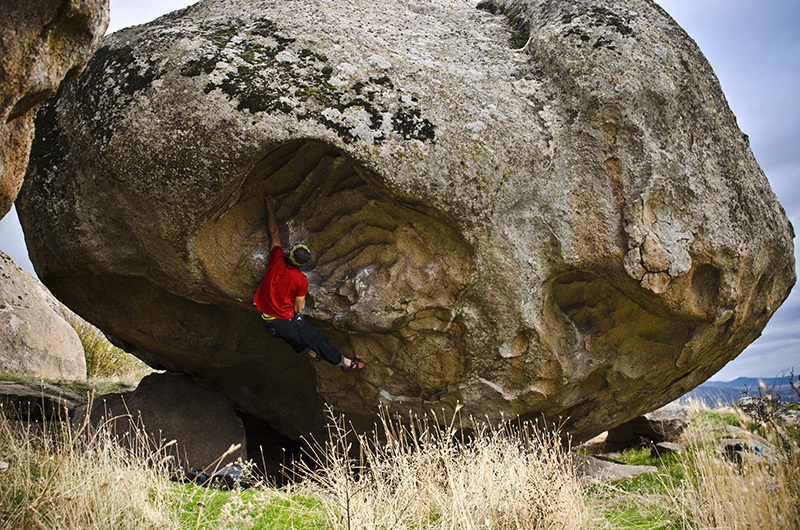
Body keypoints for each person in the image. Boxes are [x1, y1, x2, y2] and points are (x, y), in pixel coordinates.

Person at [253, 195, 365, 371]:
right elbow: (298, 308)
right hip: (282, 322)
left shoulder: (276, 260)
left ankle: (307, 350)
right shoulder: (300, 279)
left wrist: (270, 209)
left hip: (266, 321)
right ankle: (345, 363)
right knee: (316, 337)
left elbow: (274, 232)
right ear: (301, 265)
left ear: (289, 254)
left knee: (292, 334)